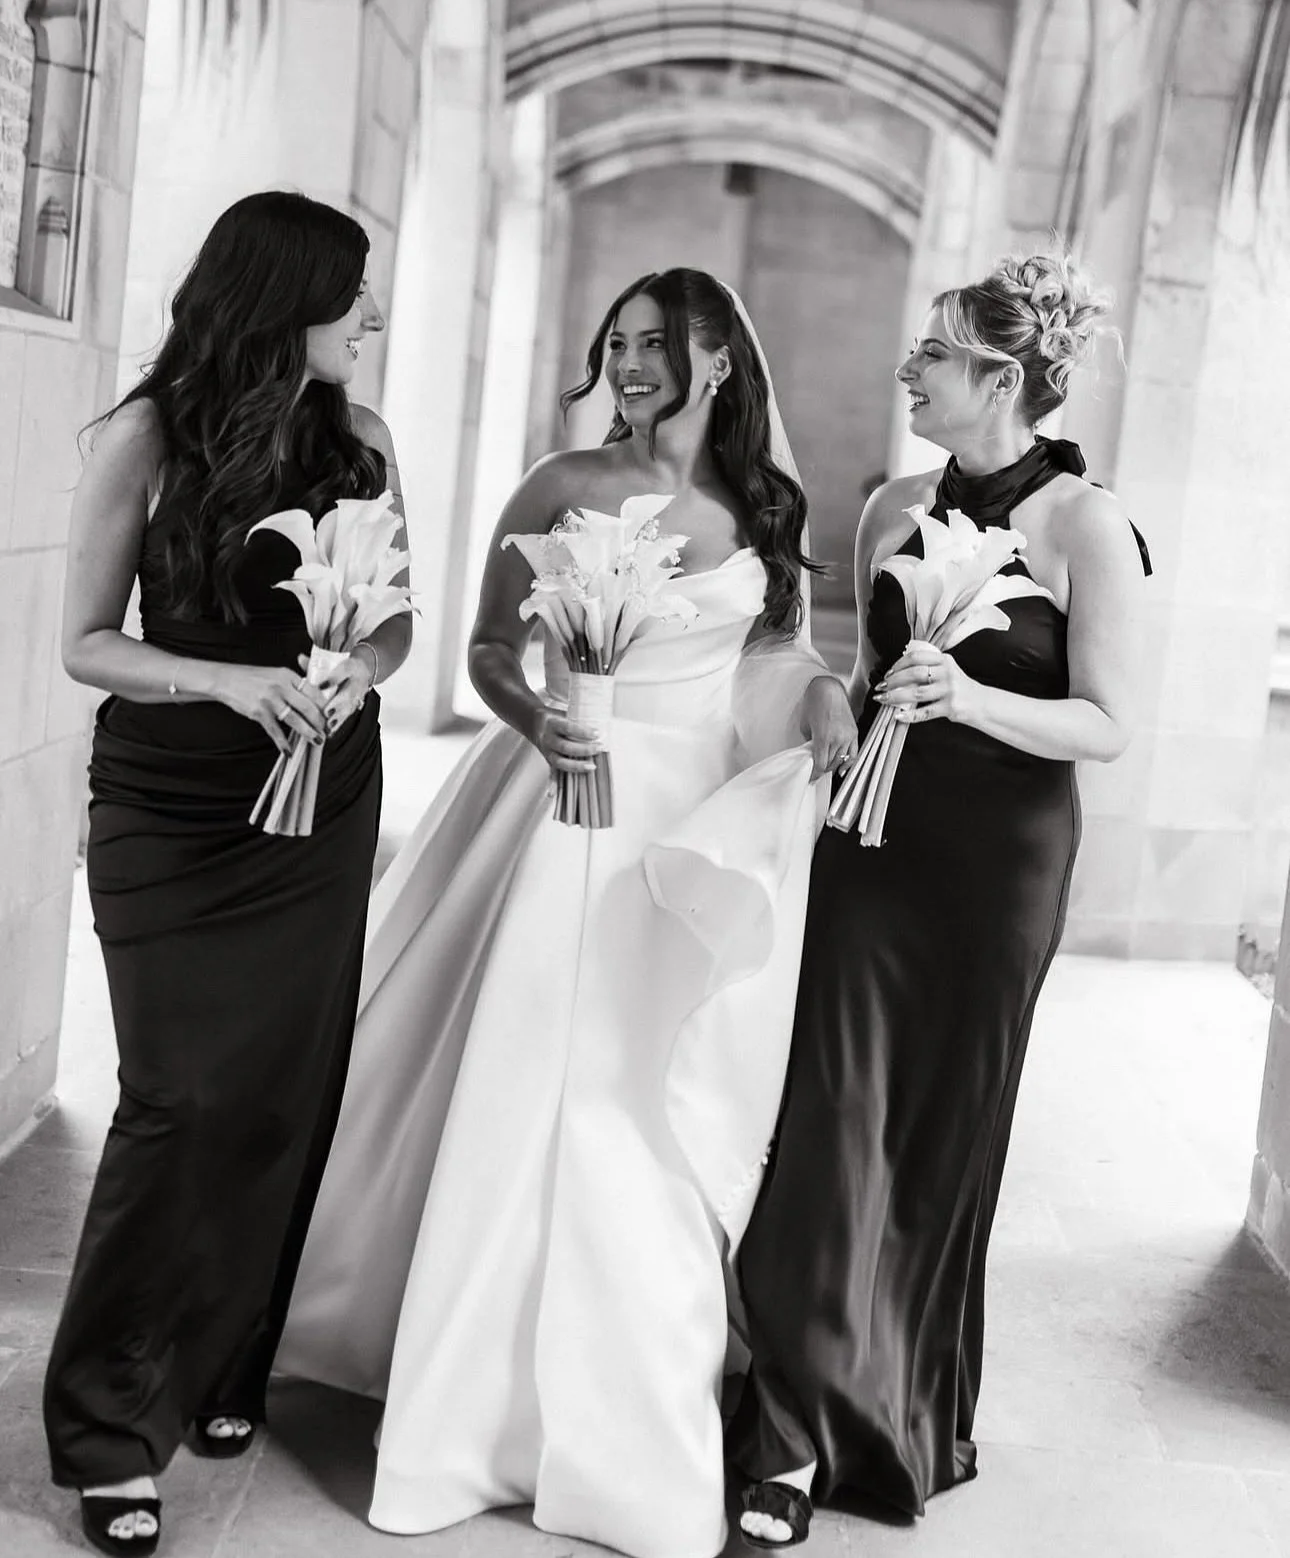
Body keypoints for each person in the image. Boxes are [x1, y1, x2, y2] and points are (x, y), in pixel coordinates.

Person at [275, 268, 858, 1558]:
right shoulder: (561, 484)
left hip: (689, 818)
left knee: (650, 1098)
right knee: (540, 1076)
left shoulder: (764, 504)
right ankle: (468, 1418)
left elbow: (774, 649)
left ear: (719, 362)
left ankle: (628, 1429)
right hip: (566, 804)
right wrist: (545, 720)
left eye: (657, 344)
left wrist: (821, 689)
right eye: (619, 342)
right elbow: (487, 648)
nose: (630, 364)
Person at [732, 250, 1150, 1549]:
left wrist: (966, 696)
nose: (908, 368)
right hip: (871, 847)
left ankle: (894, 1405)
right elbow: (864, 679)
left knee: (938, 1138)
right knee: (830, 1122)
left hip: (998, 869)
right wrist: (828, 713)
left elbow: (1107, 724)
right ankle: (788, 1435)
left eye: (933, 352)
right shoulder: (890, 506)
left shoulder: (1087, 526)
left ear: (1000, 378)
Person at [45, 190, 411, 1557]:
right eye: (352, 291)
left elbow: (395, 624)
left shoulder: (364, 440)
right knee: (174, 1097)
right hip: (170, 800)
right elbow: (86, 643)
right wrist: (229, 681)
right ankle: (105, 1427)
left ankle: (223, 1364)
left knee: (277, 1093)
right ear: (284, 296)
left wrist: (354, 671)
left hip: (321, 798)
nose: (369, 316)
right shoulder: (145, 435)